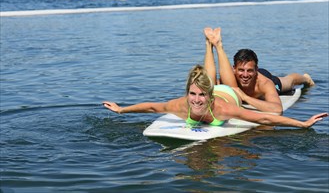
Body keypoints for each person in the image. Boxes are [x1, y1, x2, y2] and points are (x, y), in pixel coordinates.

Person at [103, 64, 327, 129]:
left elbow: (265, 118)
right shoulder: (183, 105)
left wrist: (302, 124)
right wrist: (121, 109)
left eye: (201, 95)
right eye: (193, 95)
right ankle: (211, 43)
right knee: (210, 76)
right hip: (218, 84)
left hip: (231, 92)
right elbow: (153, 107)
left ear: (209, 97)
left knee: (284, 83)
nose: (197, 100)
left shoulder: (222, 109)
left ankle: (305, 78)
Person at [203, 27, 314, 115]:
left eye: (249, 70)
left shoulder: (265, 83)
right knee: (212, 86)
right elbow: (209, 84)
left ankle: (306, 78)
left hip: (265, 79)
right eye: (241, 70)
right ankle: (210, 44)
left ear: (256, 69)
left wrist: (245, 97)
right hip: (237, 80)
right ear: (234, 69)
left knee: (289, 81)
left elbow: (277, 109)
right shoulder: (228, 77)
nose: (245, 75)